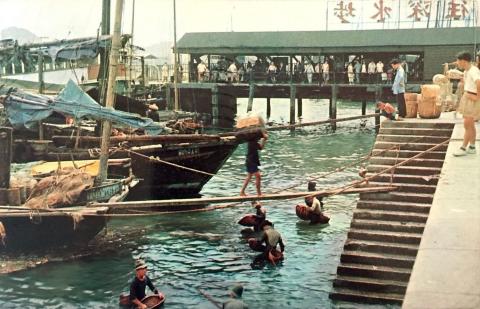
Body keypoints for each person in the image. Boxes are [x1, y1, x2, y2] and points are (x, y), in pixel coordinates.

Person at [454, 51, 480, 156]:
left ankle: (463, 147)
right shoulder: (467, 71)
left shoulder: (474, 71)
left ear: (464, 61)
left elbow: (479, 82)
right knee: (470, 124)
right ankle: (472, 146)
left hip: (472, 98)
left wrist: (478, 96)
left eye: (458, 61)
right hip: (468, 96)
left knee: (467, 124)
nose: (457, 63)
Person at [240, 131, 268, 196]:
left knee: (249, 177)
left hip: (251, 161)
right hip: (251, 162)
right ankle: (259, 194)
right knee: (258, 176)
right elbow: (260, 147)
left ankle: (242, 192)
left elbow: (260, 147)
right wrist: (264, 138)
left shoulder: (252, 142)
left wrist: (264, 139)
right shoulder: (252, 143)